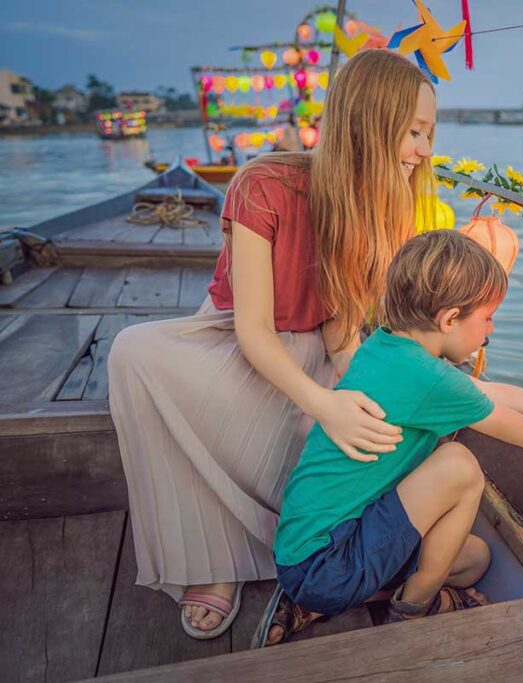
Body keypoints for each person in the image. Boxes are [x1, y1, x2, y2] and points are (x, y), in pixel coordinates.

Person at [107, 49, 438, 640]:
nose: (425, 150)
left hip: (314, 342)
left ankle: (308, 548)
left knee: (356, 417)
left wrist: (351, 387)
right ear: (370, 122)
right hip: (240, 339)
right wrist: (325, 404)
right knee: (133, 353)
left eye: (429, 134)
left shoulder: (388, 202)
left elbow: (342, 324)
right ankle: (211, 561)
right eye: (414, 132)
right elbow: (254, 330)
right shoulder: (264, 183)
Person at [265, 231, 523, 644]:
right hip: (328, 561)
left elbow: (489, 392)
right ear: (449, 319)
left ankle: (318, 603)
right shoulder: (429, 378)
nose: (489, 330)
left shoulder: (387, 346)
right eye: (486, 317)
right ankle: (414, 611)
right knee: (460, 465)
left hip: (307, 556)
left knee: (473, 559)